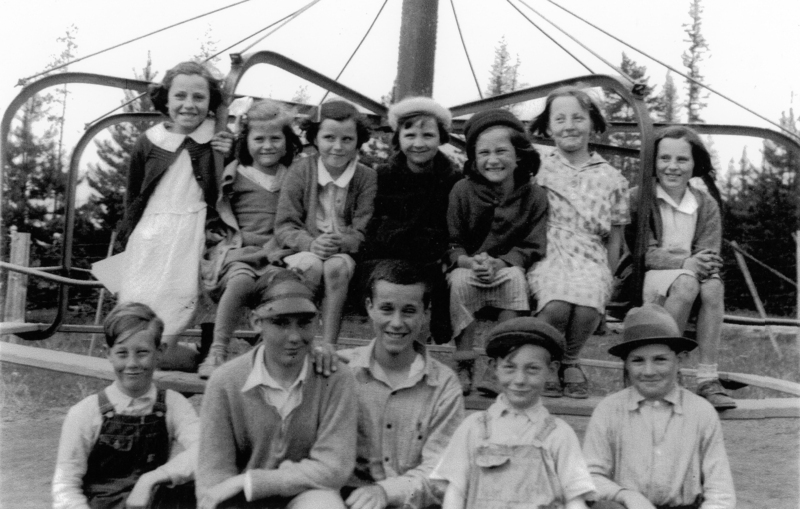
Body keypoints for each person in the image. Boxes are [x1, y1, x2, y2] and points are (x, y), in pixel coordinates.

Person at [196, 272, 357, 509]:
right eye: (280, 322)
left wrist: (251, 481)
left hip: (305, 493)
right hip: (240, 498)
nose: (294, 336)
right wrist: (239, 488)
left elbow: (333, 466)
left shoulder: (336, 378)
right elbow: (214, 473)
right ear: (256, 322)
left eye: (304, 322)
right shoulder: (225, 381)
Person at [118, 61, 234, 371]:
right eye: (180, 96)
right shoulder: (150, 141)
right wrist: (127, 240)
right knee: (136, 323)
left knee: (176, 312)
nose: (188, 105)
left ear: (211, 102)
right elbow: (134, 195)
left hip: (192, 234)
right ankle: (183, 359)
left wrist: (230, 152)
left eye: (199, 97)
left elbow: (227, 189)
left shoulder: (219, 139)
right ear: (166, 99)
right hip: (151, 236)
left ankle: (205, 356)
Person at [527, 86, 629, 399]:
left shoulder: (612, 177)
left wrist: (609, 278)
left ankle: (570, 359)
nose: (569, 125)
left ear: (592, 123)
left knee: (587, 306)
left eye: (577, 117)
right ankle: (548, 359)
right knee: (556, 304)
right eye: (560, 119)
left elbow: (615, 235)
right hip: (550, 248)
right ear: (548, 126)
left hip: (590, 252)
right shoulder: (538, 167)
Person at [338, 260, 465, 509]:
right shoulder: (341, 371)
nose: (396, 323)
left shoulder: (443, 385)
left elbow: (441, 471)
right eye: (387, 309)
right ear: (369, 307)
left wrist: (386, 493)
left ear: (425, 314)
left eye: (408, 311)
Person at [431, 317, 595, 509]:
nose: (519, 380)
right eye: (509, 367)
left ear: (551, 370)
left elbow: (575, 498)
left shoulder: (559, 434)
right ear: (494, 368)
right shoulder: (474, 428)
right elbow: (455, 491)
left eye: (532, 369)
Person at [582, 304, 736, 508]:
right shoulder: (609, 410)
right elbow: (588, 477)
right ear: (626, 364)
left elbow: (720, 490)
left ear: (679, 360)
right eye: (637, 361)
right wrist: (626, 495)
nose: (648, 371)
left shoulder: (701, 412)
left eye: (660, 360)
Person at [628, 126, 735, 410]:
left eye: (681, 160)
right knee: (686, 282)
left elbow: (708, 252)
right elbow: (644, 254)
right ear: (654, 162)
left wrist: (699, 264)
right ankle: (669, 373)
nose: (672, 167)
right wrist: (684, 264)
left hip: (690, 273)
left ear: (694, 164)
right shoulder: (642, 198)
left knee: (713, 285)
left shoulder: (704, 203)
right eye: (664, 159)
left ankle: (707, 377)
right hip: (650, 276)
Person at [53, 302, 199, 509]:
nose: (132, 364)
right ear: (108, 353)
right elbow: (65, 485)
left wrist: (151, 479)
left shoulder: (173, 404)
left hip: (150, 502)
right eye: (122, 353)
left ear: (160, 352)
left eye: (142, 352)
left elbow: (206, 451)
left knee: (207, 485)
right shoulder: (85, 412)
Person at [198, 99, 303, 379]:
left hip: (279, 252)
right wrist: (225, 149)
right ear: (246, 142)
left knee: (285, 290)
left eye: (275, 138)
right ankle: (218, 349)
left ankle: (271, 357)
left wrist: (281, 249)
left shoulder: (293, 175)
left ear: (287, 140)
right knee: (240, 281)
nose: (267, 145)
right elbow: (213, 202)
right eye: (259, 139)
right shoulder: (236, 173)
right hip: (242, 252)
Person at [446, 108, 548, 394]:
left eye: (502, 151)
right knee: (458, 285)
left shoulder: (534, 195)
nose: (493, 160)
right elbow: (453, 241)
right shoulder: (462, 191)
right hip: (469, 267)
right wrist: (467, 262)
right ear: (474, 160)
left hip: (508, 268)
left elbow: (533, 244)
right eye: (484, 153)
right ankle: (464, 362)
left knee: (515, 281)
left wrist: (503, 263)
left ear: (518, 155)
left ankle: (500, 362)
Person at [275, 99, 377, 345]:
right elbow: (285, 225)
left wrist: (342, 242)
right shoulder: (300, 171)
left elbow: (365, 227)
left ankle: (328, 345)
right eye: (329, 138)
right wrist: (311, 244)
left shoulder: (367, 177)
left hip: (343, 252)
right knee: (310, 265)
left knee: (335, 268)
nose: (338, 147)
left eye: (347, 140)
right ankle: (300, 341)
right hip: (305, 247)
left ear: (358, 141)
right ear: (315, 138)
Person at [362, 97, 462, 345]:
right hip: (388, 254)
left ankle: (424, 345)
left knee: (431, 284)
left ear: (441, 139)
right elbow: (374, 223)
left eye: (428, 135)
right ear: (399, 139)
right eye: (410, 135)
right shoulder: (383, 175)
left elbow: (452, 227)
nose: (418, 143)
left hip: (430, 258)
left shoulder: (451, 179)